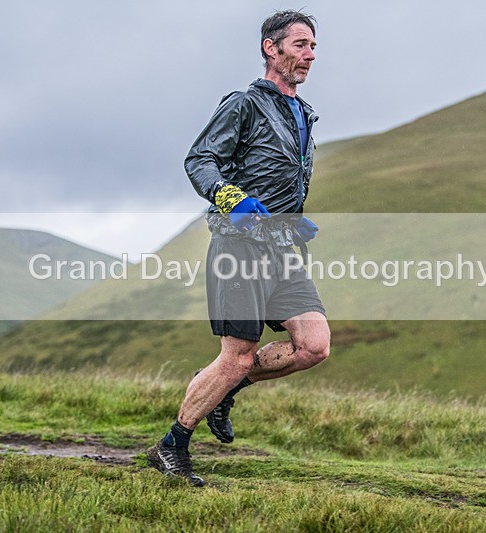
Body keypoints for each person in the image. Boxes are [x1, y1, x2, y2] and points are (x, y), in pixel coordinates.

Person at [146, 9, 330, 486]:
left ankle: (226, 391)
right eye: (300, 45)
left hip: (283, 250)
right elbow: (199, 159)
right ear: (271, 48)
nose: (310, 55)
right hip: (238, 247)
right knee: (237, 355)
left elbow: (277, 176)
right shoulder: (245, 103)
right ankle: (172, 446)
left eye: (313, 47)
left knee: (313, 346)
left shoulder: (305, 114)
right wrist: (235, 200)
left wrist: (292, 219)